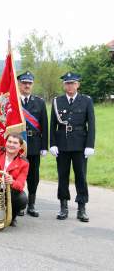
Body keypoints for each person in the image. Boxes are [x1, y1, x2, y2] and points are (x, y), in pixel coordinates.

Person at [50, 72, 95, 222]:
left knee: (81, 176)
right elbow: (52, 125)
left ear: (78, 85)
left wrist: (90, 145)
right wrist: (53, 143)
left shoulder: (86, 101)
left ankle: (82, 208)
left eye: (73, 83)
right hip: (62, 145)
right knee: (63, 176)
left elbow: (92, 125)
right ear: (64, 85)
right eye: (67, 83)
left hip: (80, 145)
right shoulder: (57, 101)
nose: (70, 86)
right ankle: (63, 207)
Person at [17, 71, 48, 217]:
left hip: (34, 143)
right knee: (17, 173)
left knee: (33, 175)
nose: (27, 85)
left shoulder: (40, 102)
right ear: (19, 84)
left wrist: (44, 146)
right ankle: (20, 203)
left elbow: (44, 125)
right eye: (24, 83)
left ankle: (32, 204)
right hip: (17, 145)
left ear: (32, 84)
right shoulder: (13, 102)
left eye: (29, 83)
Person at [0, 133, 29, 226]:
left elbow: (20, 185)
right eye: (9, 141)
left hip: (9, 190)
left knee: (22, 199)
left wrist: (12, 182)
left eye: (15, 143)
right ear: (5, 142)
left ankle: (11, 218)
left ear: (20, 146)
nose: (11, 145)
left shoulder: (24, 162)